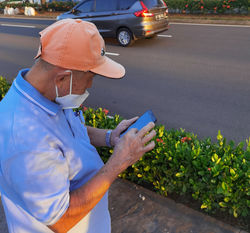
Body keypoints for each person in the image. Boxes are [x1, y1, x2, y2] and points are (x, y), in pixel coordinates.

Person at [0, 19, 156, 233]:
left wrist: (110, 137)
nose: (91, 85)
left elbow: (71, 132)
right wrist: (119, 162)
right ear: (63, 78)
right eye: (90, 77)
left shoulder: (51, 95)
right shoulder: (24, 137)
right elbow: (61, 220)